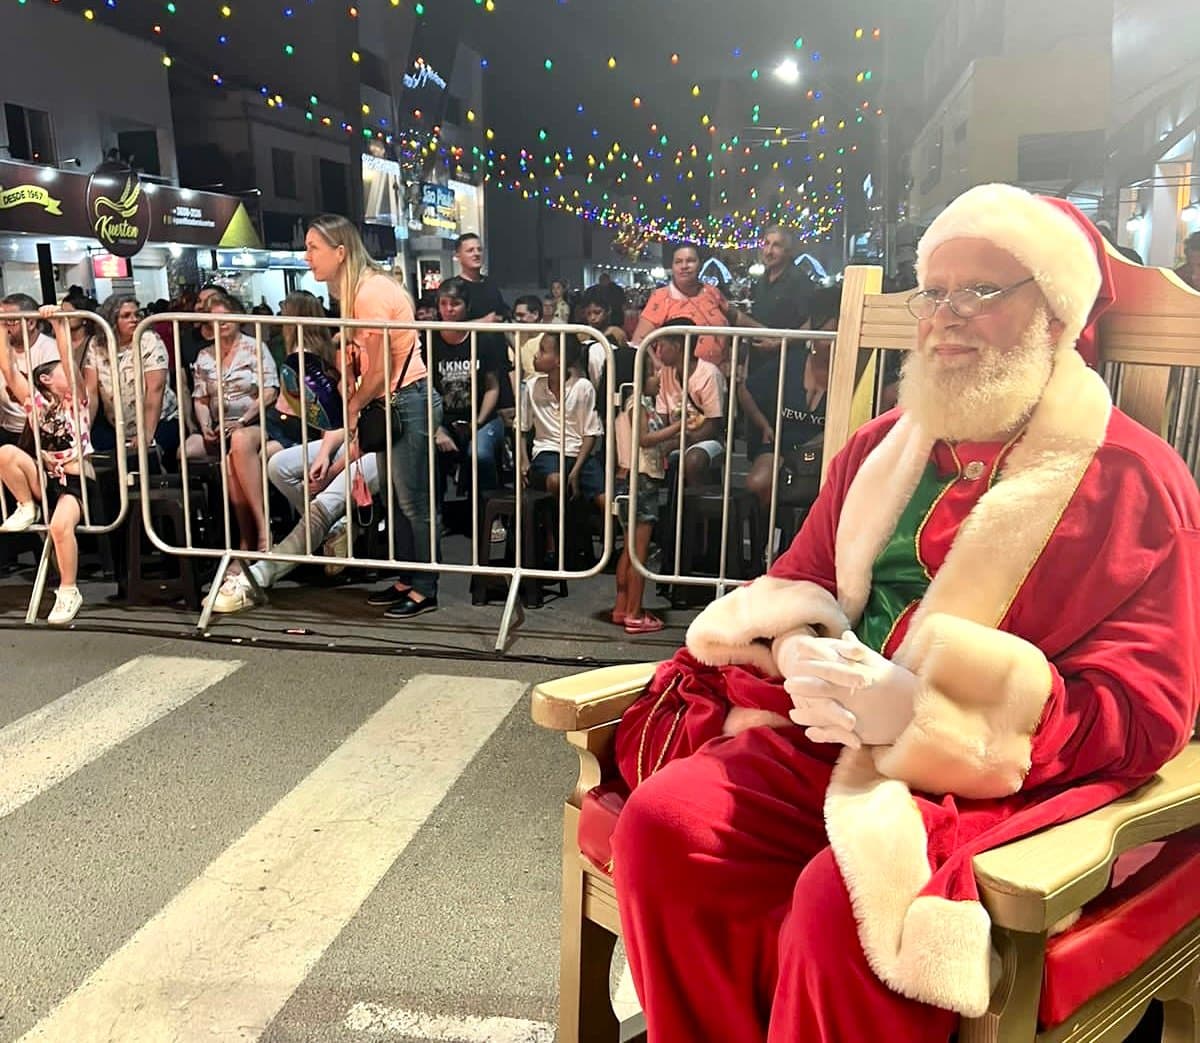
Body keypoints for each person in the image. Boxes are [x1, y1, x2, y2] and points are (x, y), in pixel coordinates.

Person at [608, 184, 1200, 1042]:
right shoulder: (882, 443)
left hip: (989, 783)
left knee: (842, 905)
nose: (945, 317)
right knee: (669, 830)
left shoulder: (1136, 484)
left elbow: (1147, 713)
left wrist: (930, 712)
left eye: (981, 292)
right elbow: (801, 577)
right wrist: (803, 647)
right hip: (834, 740)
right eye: (934, 292)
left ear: (1055, 315)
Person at [305, 213, 442, 619]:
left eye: (313, 248)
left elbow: (380, 368)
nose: (307, 256)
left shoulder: (367, 294)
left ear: (340, 252)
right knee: (399, 501)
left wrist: (352, 405)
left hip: (406, 401)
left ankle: (425, 587)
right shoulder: (355, 291)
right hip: (393, 402)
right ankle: (407, 578)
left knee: (413, 501)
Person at [0, 341, 94, 625]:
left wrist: (56, 324)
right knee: (5, 453)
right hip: (47, 479)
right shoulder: (37, 405)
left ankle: (68, 590)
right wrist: (3, 326)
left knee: (59, 526)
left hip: (76, 482)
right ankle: (27, 505)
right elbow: (8, 368)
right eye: (61, 371)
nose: (69, 371)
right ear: (45, 379)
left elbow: (68, 358)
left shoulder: (76, 402)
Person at [185, 289, 281, 562]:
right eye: (216, 319)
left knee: (238, 444)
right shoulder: (205, 356)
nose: (222, 323)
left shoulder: (254, 347)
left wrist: (241, 420)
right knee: (188, 451)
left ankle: (259, 533)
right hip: (219, 426)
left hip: (255, 422)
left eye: (226, 317)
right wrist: (205, 426)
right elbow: (200, 398)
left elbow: (270, 392)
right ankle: (211, 528)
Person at [738, 286, 838, 509]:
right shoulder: (791, 362)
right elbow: (745, 390)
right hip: (781, 444)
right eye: (827, 336)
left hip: (823, 452)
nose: (832, 343)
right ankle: (770, 537)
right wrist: (763, 425)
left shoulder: (850, 373)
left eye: (836, 337)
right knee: (757, 483)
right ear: (814, 335)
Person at [428, 277, 508, 495]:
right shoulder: (429, 339)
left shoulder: (483, 340)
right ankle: (437, 520)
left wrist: (477, 422)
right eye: (443, 304)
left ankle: (491, 517)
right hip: (443, 419)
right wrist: (436, 429)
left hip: (483, 418)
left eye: (455, 304)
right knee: (425, 456)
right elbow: (423, 390)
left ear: (467, 306)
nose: (449, 309)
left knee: (479, 455)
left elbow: (493, 387)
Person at [611, 363, 669, 635]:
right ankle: (634, 613)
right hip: (642, 479)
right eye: (653, 372)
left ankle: (622, 606)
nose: (658, 378)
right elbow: (644, 439)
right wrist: (679, 427)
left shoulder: (636, 401)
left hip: (633, 476)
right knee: (639, 550)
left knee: (629, 547)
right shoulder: (637, 403)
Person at [631, 243, 753, 372]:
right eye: (678, 262)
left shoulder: (712, 292)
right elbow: (639, 340)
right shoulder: (660, 297)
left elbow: (736, 316)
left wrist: (767, 332)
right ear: (672, 267)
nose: (684, 266)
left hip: (718, 376)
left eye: (690, 261)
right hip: (679, 381)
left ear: (700, 265)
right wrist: (659, 367)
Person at [520, 332, 604, 516]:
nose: (536, 355)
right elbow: (521, 428)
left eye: (543, 351)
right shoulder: (532, 386)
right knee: (555, 480)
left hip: (579, 453)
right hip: (547, 450)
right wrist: (523, 461)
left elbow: (590, 433)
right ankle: (553, 538)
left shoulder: (583, 387)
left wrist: (576, 469)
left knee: (605, 498)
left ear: (558, 360)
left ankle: (610, 542)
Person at [84, 294, 181, 455]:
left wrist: (146, 433)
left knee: (147, 457)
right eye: (126, 316)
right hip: (117, 425)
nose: (134, 319)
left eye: (137, 314)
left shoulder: (150, 340)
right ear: (111, 319)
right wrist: (84, 432)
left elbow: (155, 389)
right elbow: (91, 392)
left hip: (160, 420)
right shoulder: (96, 344)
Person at [0, 293, 60, 449]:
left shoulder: (50, 349)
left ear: (31, 323)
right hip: (6, 427)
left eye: (10, 321)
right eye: (1, 321)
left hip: (38, 430)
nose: (4, 326)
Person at [454, 232, 508, 322]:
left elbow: (502, 314)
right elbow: (448, 328)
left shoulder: (491, 284)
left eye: (479, 250)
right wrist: (484, 321)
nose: (476, 254)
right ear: (458, 255)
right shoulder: (453, 287)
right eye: (470, 250)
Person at [512, 294, 545, 381]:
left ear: (535, 314)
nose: (517, 319)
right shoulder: (515, 338)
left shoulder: (548, 339)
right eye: (516, 315)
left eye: (521, 315)